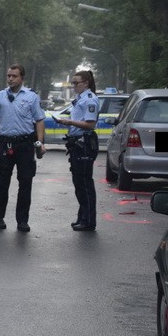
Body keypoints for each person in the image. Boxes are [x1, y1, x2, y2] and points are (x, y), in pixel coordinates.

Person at [0, 64, 47, 232]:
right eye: (8, 76)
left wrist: (40, 143)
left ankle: (22, 220)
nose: (10, 79)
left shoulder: (32, 97)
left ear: (22, 78)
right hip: (5, 143)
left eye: (14, 76)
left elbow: (39, 120)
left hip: (25, 144)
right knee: (2, 182)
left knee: (25, 182)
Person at [55, 70, 100, 231]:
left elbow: (90, 124)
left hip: (85, 144)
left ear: (86, 83)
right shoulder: (80, 99)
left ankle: (89, 221)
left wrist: (69, 122)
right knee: (79, 182)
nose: (74, 86)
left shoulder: (89, 100)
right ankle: (83, 216)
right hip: (78, 144)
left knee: (85, 183)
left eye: (76, 83)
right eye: (73, 83)